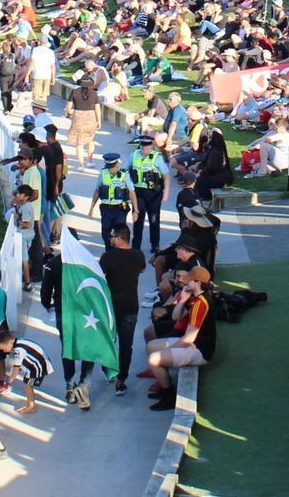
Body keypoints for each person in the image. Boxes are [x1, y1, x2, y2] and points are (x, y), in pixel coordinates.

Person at [141, 265, 215, 408]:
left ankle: (169, 396)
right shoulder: (194, 296)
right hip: (193, 343)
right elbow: (175, 317)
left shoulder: (201, 303)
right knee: (151, 346)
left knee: (154, 358)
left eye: (190, 280)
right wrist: (182, 300)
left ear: (198, 283)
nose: (186, 282)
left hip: (200, 350)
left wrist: (167, 350)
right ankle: (164, 385)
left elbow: (188, 339)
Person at [99, 223, 148, 396]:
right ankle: (122, 379)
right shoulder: (138, 255)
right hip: (130, 306)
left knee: (108, 341)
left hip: (110, 307)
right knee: (126, 345)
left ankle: (109, 371)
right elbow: (142, 269)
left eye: (112, 237)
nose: (110, 239)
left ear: (120, 238)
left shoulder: (107, 257)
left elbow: (99, 276)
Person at [0, 325, 52, 416]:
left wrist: (11, 378)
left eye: (4, 349)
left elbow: (16, 367)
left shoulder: (18, 350)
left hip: (37, 368)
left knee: (27, 385)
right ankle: (31, 403)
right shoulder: (19, 342)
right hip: (39, 363)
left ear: (9, 343)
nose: (5, 352)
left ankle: (31, 406)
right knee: (27, 384)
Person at [129, 130, 171, 251]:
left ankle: (155, 244)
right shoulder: (134, 155)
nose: (144, 150)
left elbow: (166, 175)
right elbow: (127, 172)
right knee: (137, 219)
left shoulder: (157, 158)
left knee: (154, 219)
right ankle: (136, 246)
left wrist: (166, 193)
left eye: (146, 147)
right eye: (142, 147)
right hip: (138, 192)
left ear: (151, 146)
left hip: (153, 192)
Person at [92, 151, 140, 247]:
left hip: (120, 208)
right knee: (105, 232)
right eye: (109, 167)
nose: (111, 170)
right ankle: (109, 249)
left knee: (120, 231)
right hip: (106, 208)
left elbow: (132, 192)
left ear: (117, 164)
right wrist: (91, 208)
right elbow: (97, 191)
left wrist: (136, 210)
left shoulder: (124, 175)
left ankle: (121, 249)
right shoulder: (103, 174)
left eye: (113, 167)